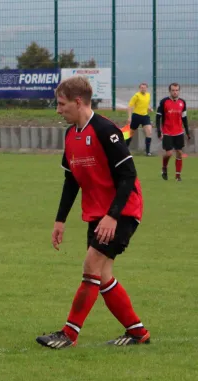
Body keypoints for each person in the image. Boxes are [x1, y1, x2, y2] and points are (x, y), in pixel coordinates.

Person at [36, 76, 150, 349]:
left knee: (91, 267)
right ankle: (137, 332)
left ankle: (69, 334)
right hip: (98, 213)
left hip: (122, 210)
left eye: (61, 104)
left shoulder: (105, 130)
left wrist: (112, 216)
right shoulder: (70, 134)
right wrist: (60, 220)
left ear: (78, 102)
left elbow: (128, 174)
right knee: (104, 276)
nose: (58, 109)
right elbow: (71, 180)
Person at [156, 83, 190, 181]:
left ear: (179, 91)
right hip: (167, 132)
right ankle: (164, 167)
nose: (175, 92)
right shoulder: (164, 102)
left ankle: (178, 176)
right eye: (173, 90)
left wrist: (187, 132)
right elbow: (158, 117)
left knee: (179, 153)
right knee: (169, 153)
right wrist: (159, 131)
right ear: (169, 91)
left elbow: (184, 118)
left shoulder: (182, 102)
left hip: (179, 132)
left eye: (177, 90)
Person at [125, 83, 153, 155]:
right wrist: (129, 117)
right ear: (139, 88)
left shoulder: (148, 95)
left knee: (149, 132)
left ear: (146, 88)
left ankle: (148, 152)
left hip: (145, 116)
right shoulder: (136, 96)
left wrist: (149, 108)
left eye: (144, 88)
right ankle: (125, 149)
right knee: (131, 133)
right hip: (136, 116)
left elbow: (146, 104)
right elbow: (130, 106)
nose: (143, 89)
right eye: (141, 88)